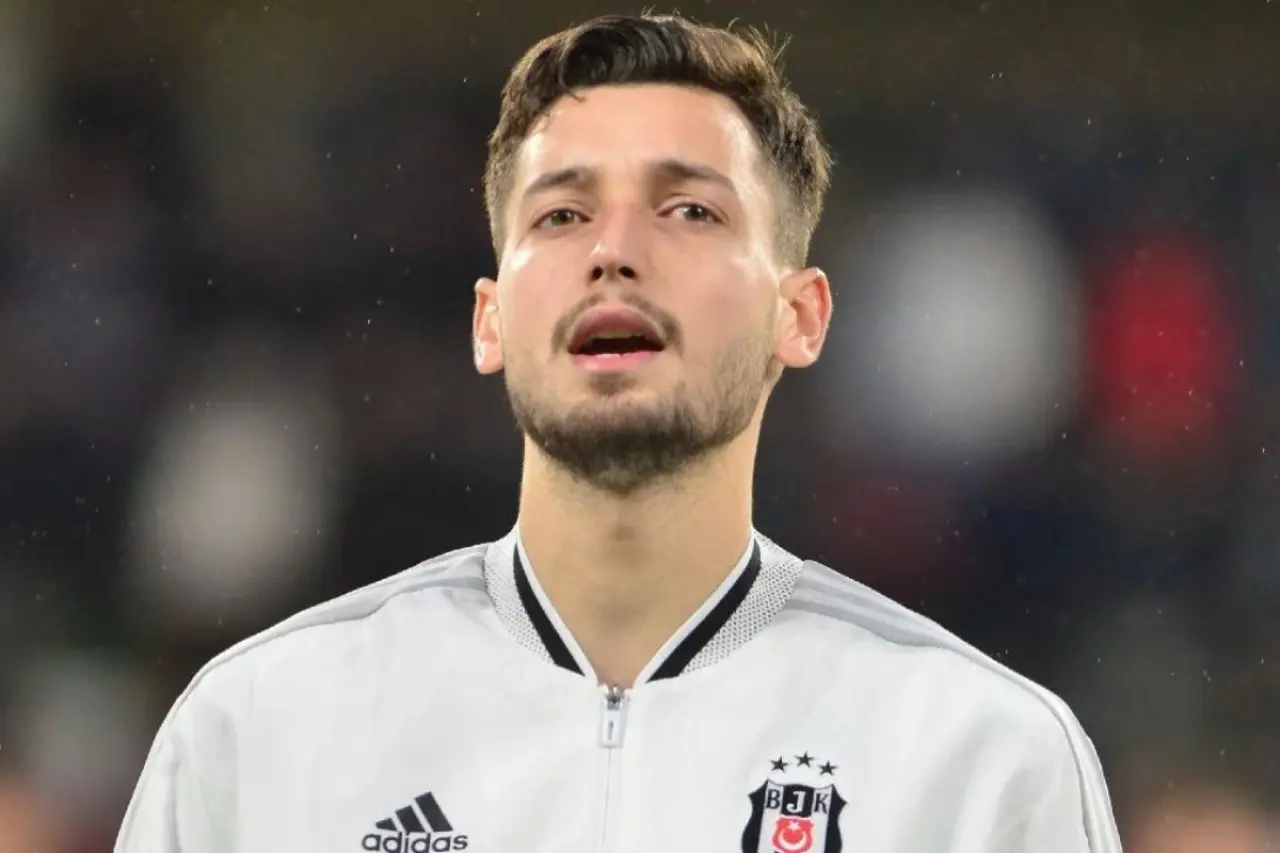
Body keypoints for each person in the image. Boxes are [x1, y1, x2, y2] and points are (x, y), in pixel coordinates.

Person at [116, 13, 1122, 853]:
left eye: (688, 210)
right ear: (489, 321)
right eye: (560, 215)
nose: (614, 250)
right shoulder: (262, 731)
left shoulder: (978, 757)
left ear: (800, 315)